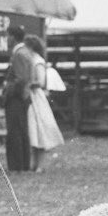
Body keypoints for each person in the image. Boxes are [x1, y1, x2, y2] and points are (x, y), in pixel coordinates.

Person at [24, 34, 63, 172]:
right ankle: (33, 164)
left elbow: (40, 81)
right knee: (33, 131)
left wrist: (27, 84)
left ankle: (40, 165)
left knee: (39, 129)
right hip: (31, 96)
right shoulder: (30, 60)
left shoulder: (37, 61)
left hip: (36, 97)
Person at [2, 24, 35, 172]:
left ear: (13, 37)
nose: (6, 39)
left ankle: (17, 166)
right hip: (22, 97)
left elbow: (21, 79)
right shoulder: (25, 52)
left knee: (15, 132)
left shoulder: (19, 54)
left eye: (7, 36)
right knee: (21, 130)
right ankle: (23, 165)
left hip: (17, 98)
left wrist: (8, 89)